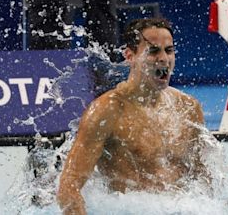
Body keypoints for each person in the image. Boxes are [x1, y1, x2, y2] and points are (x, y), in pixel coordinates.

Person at [57, 18, 211, 214]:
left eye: (169, 50)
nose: (164, 58)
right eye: (153, 51)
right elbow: (68, 188)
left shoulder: (188, 108)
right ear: (130, 56)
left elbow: (203, 178)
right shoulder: (107, 111)